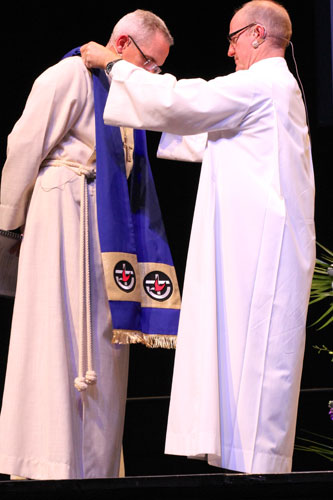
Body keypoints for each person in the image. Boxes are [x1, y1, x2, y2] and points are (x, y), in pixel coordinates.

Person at [81, 0, 316, 474]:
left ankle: (260, 473)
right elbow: (196, 127)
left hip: (262, 252)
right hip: (257, 247)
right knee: (242, 362)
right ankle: (246, 464)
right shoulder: (270, 89)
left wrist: (114, 67)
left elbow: (183, 102)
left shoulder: (263, 83)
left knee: (259, 365)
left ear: (255, 35)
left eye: (232, 39)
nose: (229, 52)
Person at [0, 10, 179, 480]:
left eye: (159, 68)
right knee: (54, 337)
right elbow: (23, 148)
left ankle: (95, 466)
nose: (153, 75)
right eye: (151, 64)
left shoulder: (127, 98)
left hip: (108, 226)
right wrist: (9, 229)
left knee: (104, 346)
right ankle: (50, 462)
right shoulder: (68, 76)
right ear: (121, 44)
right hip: (63, 218)